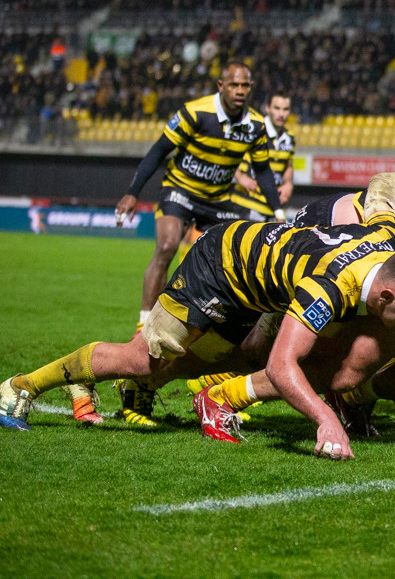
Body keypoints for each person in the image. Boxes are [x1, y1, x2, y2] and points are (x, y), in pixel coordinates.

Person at [0, 171, 395, 460]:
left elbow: (385, 184)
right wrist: (324, 419)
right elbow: (282, 366)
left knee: (216, 361)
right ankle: (20, 387)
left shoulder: (389, 237)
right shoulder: (329, 287)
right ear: (386, 295)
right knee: (142, 358)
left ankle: (109, 380)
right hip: (218, 265)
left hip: (257, 282)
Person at [110, 63, 284, 426]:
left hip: (218, 200)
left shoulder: (254, 125)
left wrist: (278, 210)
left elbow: (263, 171)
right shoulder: (194, 113)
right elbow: (158, 152)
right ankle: (144, 325)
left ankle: (209, 333)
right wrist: (131, 192)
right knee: (167, 246)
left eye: (245, 85)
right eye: (233, 84)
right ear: (221, 85)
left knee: (228, 266)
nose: (240, 90)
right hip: (180, 192)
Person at [229, 92, 295, 222]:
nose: (281, 114)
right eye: (277, 108)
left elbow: (288, 165)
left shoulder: (289, 138)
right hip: (245, 205)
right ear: (267, 108)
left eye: (285, 109)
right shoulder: (254, 128)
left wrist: (288, 184)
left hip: (271, 208)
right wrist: (239, 176)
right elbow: (229, 152)